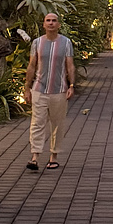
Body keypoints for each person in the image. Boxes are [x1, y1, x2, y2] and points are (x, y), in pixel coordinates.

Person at [23, 11, 75, 171]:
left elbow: (70, 65)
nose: (51, 23)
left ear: (58, 24)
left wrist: (71, 85)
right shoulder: (37, 43)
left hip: (59, 90)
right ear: (44, 24)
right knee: (37, 123)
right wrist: (27, 87)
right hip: (39, 89)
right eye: (48, 20)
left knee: (57, 124)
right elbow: (32, 66)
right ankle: (35, 156)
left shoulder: (66, 43)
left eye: (54, 20)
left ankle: (54, 156)